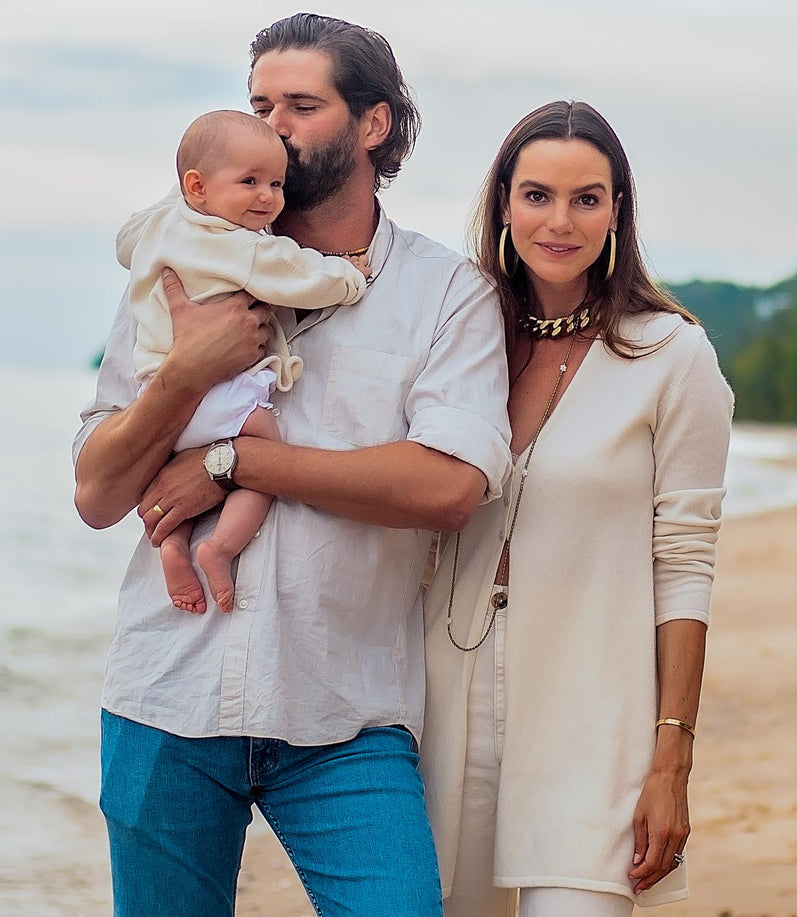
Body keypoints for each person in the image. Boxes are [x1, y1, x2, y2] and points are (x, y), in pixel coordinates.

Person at [72, 13, 511, 917]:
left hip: (346, 714)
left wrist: (236, 462)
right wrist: (187, 375)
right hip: (167, 698)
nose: (273, 124)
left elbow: (449, 486)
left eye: (302, 105)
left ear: (374, 124)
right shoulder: (176, 267)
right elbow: (95, 492)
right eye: (260, 103)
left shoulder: (445, 293)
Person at [421, 100, 734, 917]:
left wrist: (671, 759)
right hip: (439, 708)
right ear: (502, 204)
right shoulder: (459, 333)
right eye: (536, 195)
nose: (559, 221)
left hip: (594, 720)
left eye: (586, 198)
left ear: (617, 212)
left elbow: (686, 563)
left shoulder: (673, 354)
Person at [118, 109, 369, 614]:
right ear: (197, 186)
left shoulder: (159, 228)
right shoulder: (241, 248)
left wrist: (189, 198)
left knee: (172, 471)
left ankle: (171, 544)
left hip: (158, 392)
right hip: (218, 393)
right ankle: (219, 548)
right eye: (250, 182)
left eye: (276, 184)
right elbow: (298, 274)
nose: (267, 197)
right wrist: (349, 276)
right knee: (264, 444)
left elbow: (125, 242)